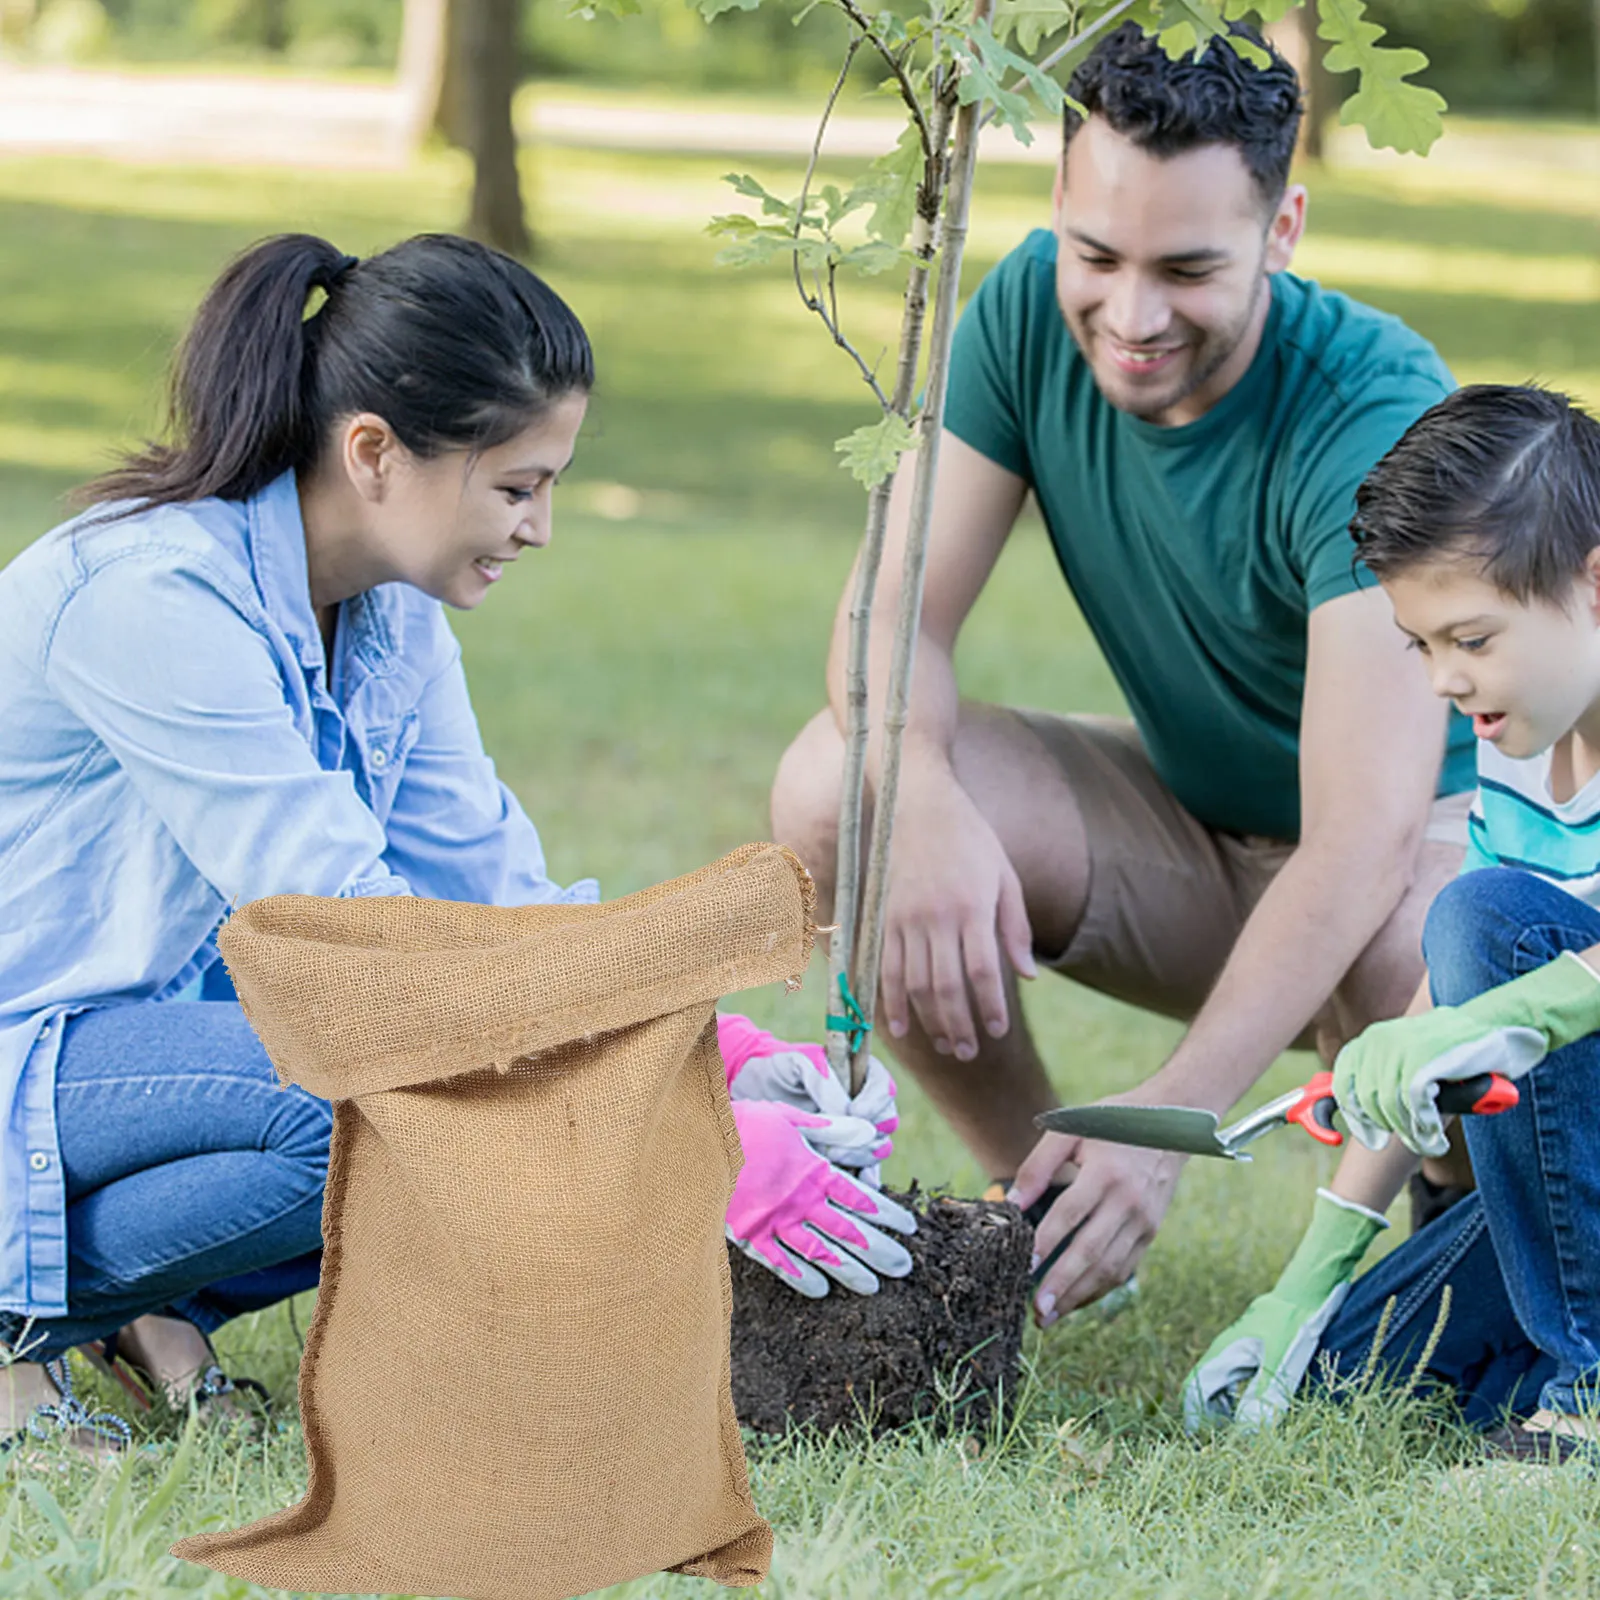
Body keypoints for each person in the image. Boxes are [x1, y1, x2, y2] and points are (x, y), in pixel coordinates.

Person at [0, 232, 908, 1469]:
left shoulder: (391, 619)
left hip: (132, 1057)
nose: (542, 528)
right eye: (518, 485)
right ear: (373, 452)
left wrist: (719, 1054)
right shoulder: (152, 600)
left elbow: (499, 902)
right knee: (381, 1105)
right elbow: (364, 946)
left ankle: (141, 1308)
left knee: (441, 1117)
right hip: (32, 1042)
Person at [770, 19, 1476, 1326]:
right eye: (1098, 255)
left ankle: (1463, 1224)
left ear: (1284, 228)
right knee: (840, 784)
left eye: (1188, 268)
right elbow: (892, 620)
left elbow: (1363, 840)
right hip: (1194, 845)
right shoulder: (1027, 313)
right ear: (1056, 207)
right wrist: (915, 795)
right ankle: (1042, 1218)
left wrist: (1166, 1120)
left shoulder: (1372, 413)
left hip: (1397, 874)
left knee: (1437, 939)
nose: (1132, 315)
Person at [1186, 385, 1600, 1463]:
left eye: (1469, 637)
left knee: (1482, 915)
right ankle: (1550, 1361)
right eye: (1420, 644)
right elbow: (1438, 1008)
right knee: (1345, 1374)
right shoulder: (1521, 732)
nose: (1442, 680)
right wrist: (1309, 1274)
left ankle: (1584, 1395)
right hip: (1576, 1183)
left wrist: (1525, 1008)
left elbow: (1492, 952)